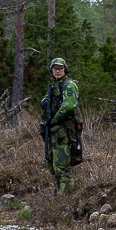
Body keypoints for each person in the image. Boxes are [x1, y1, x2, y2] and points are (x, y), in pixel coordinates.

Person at [41, 58, 81, 195]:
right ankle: (59, 193)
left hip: (63, 131)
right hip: (54, 131)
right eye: (55, 68)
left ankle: (65, 197)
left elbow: (69, 106)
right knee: (53, 165)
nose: (57, 71)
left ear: (65, 69)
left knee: (62, 166)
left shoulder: (69, 85)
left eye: (60, 68)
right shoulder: (53, 86)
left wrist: (54, 119)